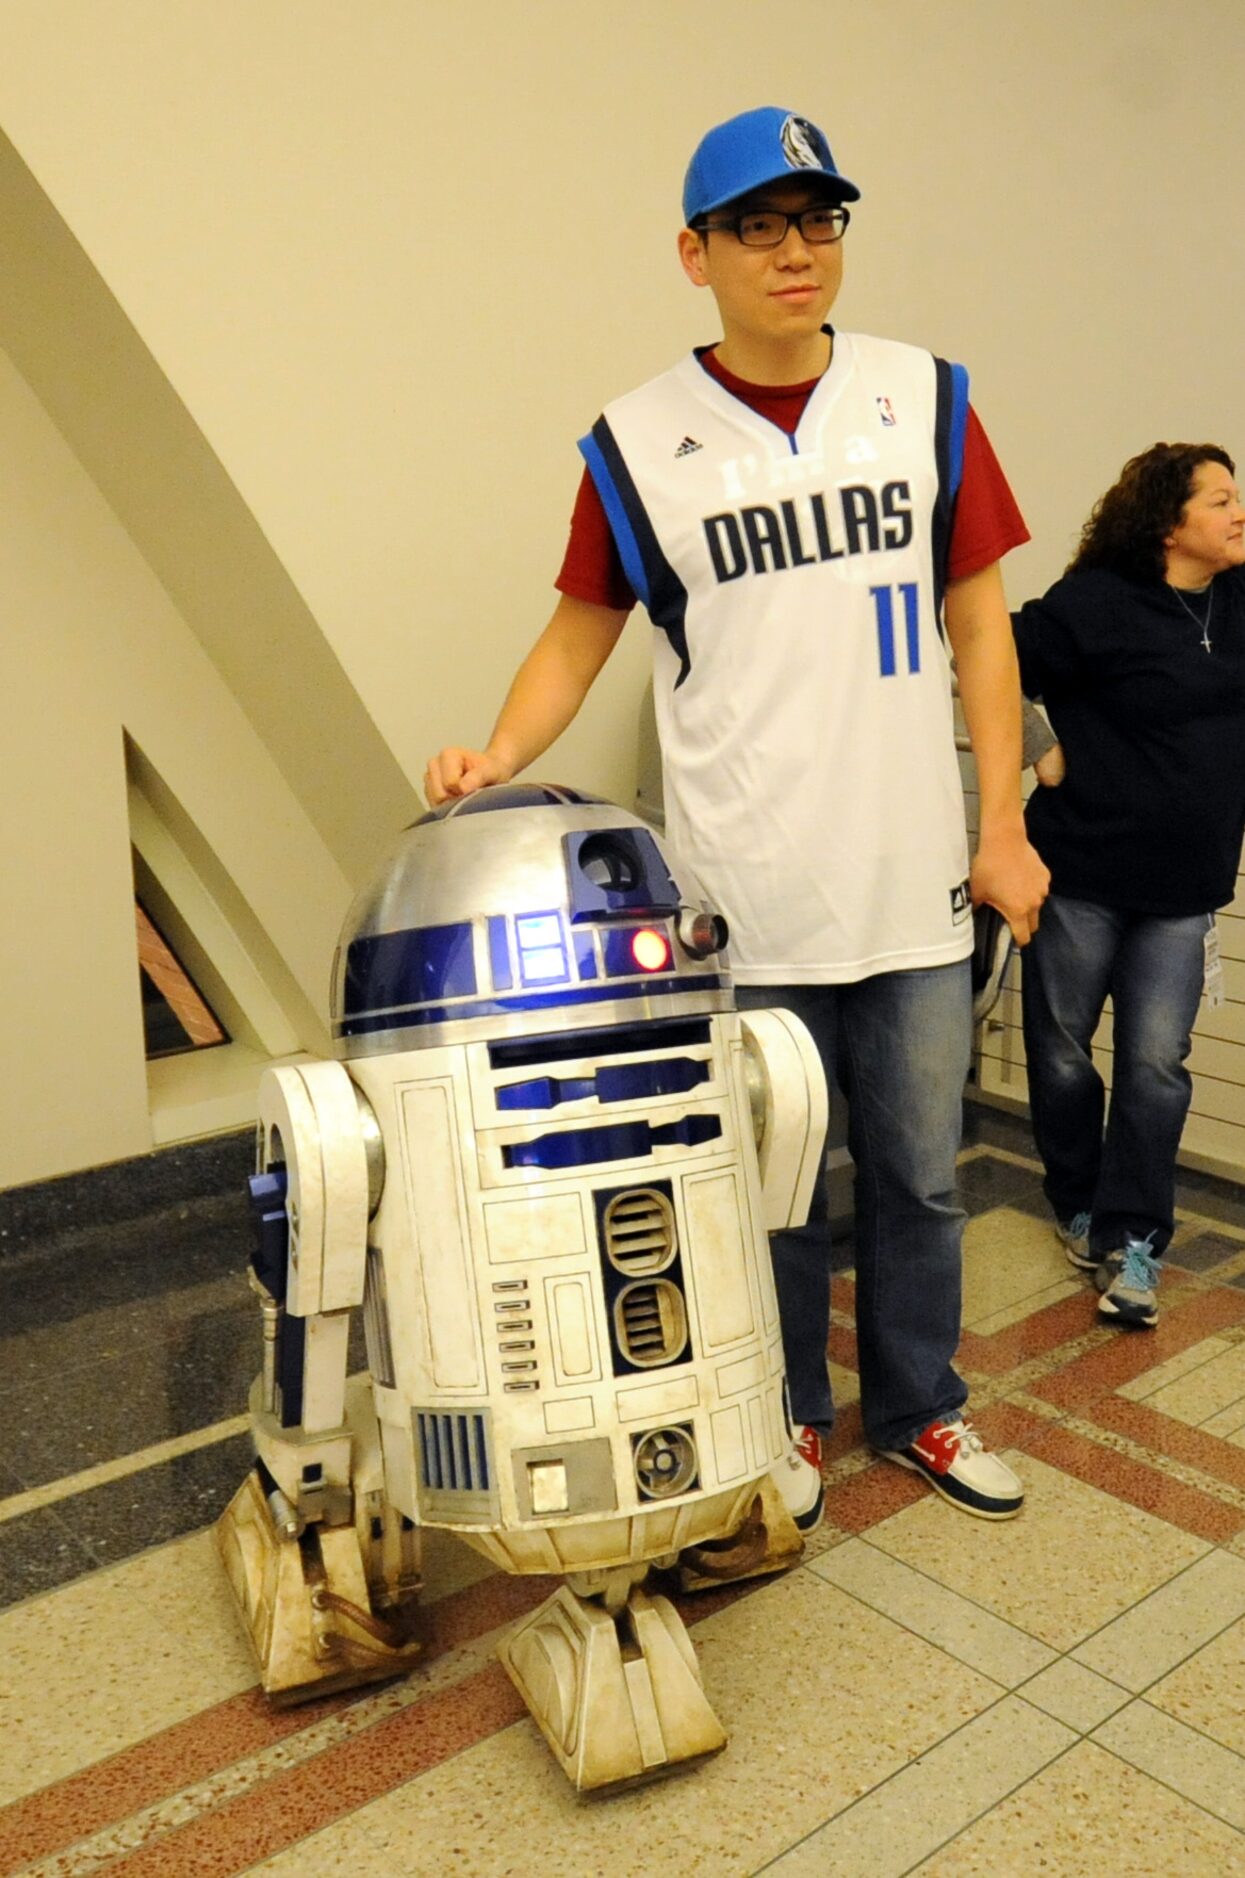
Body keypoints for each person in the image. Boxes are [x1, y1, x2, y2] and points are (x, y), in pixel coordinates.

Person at [427, 106, 1049, 1520]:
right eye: (758, 227)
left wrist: (998, 821)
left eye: (817, 221)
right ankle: (784, 1415)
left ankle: (923, 1409)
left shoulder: (926, 396)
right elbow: (579, 633)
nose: (795, 252)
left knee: (917, 1178)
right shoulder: (637, 442)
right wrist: (498, 752)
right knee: (769, 1186)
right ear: (693, 252)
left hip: (910, 886)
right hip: (746, 894)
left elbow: (982, 627)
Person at [1014, 444, 1245, 1330]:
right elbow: (988, 655)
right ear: (1166, 520)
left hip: (1182, 889)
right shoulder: (1094, 604)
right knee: (1065, 1055)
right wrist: (1041, 742)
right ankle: (1077, 1201)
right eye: (1219, 499)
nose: (1236, 513)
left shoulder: (1235, 601)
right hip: (1079, 874)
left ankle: (1134, 1237)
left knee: (1155, 1067)